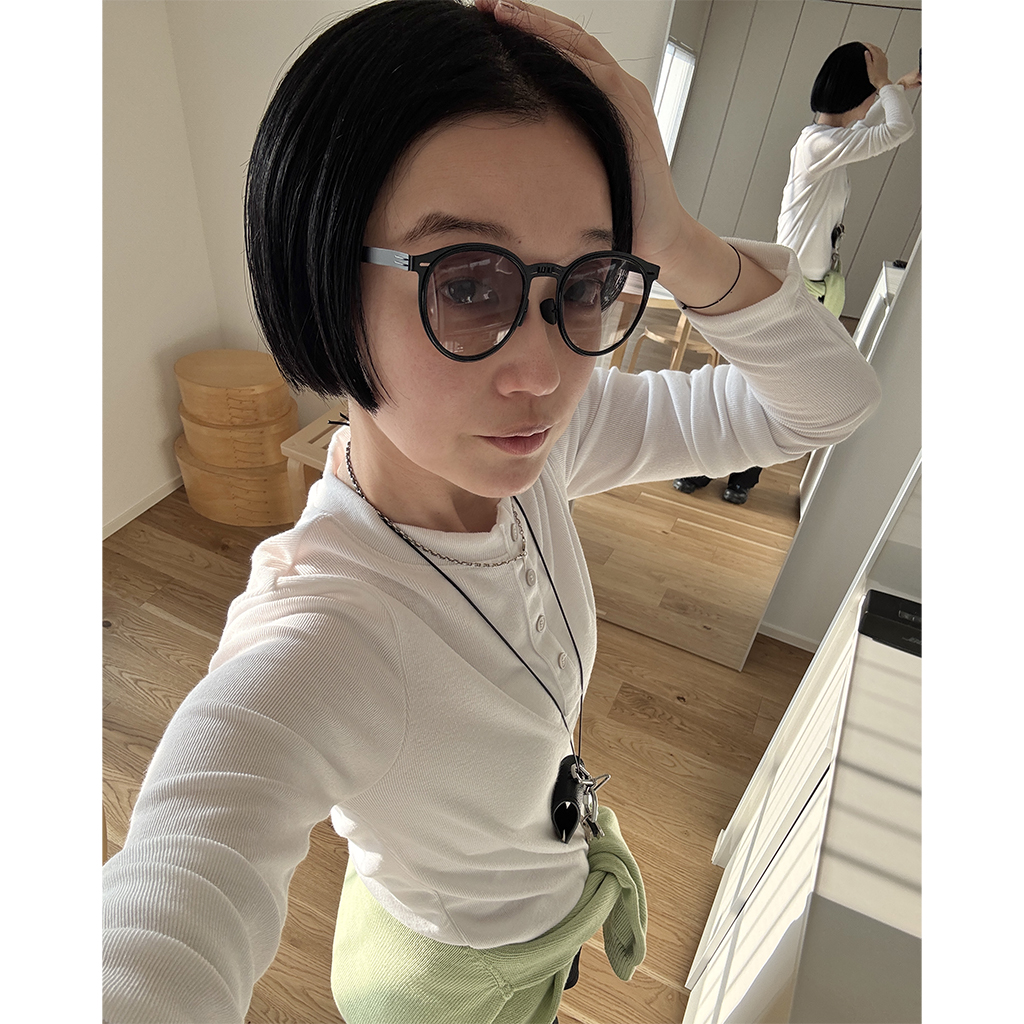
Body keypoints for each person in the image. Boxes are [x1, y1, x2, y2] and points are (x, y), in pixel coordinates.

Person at [101, 2, 880, 1022]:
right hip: (446, 986)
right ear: (320, 273)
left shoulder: (547, 452)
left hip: (545, 915)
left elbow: (827, 405)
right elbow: (172, 895)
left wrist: (675, 239)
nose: (545, 373)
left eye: (589, 280)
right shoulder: (319, 636)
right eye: (468, 283)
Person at [776, 40, 921, 317]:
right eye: (873, 91)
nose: (875, 97)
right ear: (855, 93)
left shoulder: (824, 141)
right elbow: (900, 128)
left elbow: (864, 127)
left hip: (805, 284)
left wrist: (898, 85)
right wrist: (885, 83)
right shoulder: (818, 146)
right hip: (796, 288)